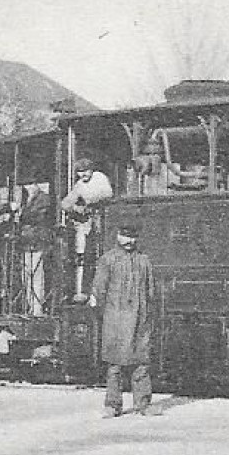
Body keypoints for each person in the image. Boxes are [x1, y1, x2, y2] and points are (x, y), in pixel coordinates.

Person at [88, 221, 157, 418]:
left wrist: (147, 316)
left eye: (133, 237)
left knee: (141, 364)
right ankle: (112, 405)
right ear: (118, 236)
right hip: (115, 320)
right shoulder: (107, 260)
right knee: (114, 366)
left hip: (140, 320)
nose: (129, 241)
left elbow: (151, 292)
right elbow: (98, 290)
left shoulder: (144, 261)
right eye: (125, 236)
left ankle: (143, 404)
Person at [60, 158, 115, 299]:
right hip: (90, 222)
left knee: (99, 253)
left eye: (85, 171)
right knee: (86, 256)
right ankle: (84, 291)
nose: (83, 175)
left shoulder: (100, 178)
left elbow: (107, 194)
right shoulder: (79, 185)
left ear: (91, 170)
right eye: (79, 172)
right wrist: (75, 207)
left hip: (104, 218)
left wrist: (89, 203)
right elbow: (66, 203)